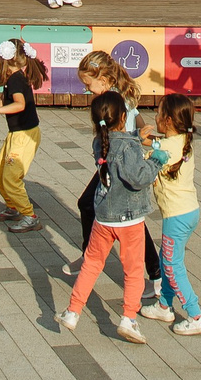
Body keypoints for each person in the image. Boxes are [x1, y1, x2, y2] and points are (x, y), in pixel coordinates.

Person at [60, 91, 159, 344]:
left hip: (103, 218)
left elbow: (117, 147)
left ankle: (73, 311)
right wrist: (156, 161)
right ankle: (128, 318)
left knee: (91, 264)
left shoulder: (99, 142)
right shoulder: (128, 147)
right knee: (134, 270)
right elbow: (137, 177)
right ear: (124, 117)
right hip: (129, 219)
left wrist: (137, 137)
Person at [141, 94, 201, 336]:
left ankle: (195, 314)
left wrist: (140, 141)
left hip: (176, 217)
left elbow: (149, 158)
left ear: (167, 121)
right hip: (189, 212)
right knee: (167, 257)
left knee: (171, 264)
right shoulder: (181, 140)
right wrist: (149, 140)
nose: (155, 117)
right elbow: (160, 144)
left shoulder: (167, 148)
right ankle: (164, 305)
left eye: (158, 114)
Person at [0, 38, 47, 233]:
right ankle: (12, 207)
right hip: (16, 134)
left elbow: (19, 104)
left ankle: (30, 216)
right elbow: (5, 101)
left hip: (25, 136)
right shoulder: (14, 78)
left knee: (11, 178)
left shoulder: (15, 79)